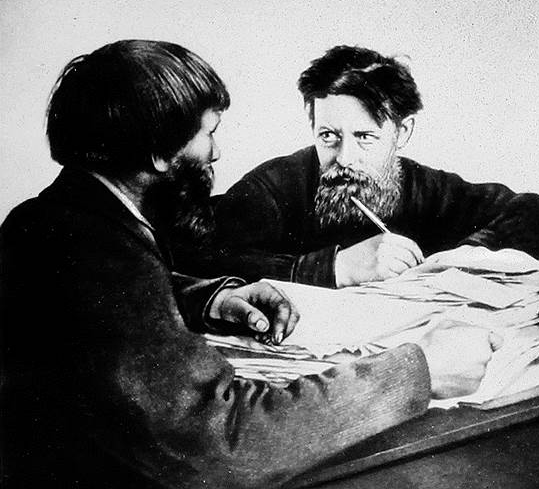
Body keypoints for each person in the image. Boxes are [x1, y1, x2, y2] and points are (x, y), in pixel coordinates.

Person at [0, 40, 498, 488]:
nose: (216, 153)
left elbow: (108, 311)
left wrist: (211, 299)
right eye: (209, 134)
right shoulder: (101, 252)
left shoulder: (46, 219)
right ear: (158, 152)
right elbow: (220, 444)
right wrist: (418, 371)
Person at [178, 45, 539, 288]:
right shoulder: (275, 186)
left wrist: (464, 258)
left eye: (364, 137)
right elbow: (193, 256)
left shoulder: (422, 186)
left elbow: (534, 213)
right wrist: (335, 268)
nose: (345, 158)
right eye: (328, 136)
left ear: (402, 132)